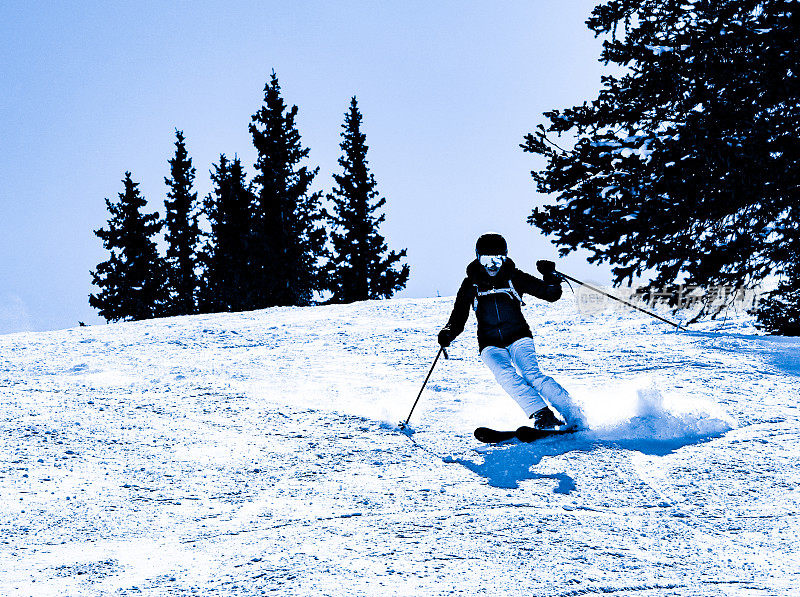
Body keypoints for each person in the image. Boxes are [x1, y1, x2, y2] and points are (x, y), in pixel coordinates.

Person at [437, 232, 582, 430]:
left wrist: (549, 276)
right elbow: (458, 317)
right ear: (478, 259)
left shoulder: (514, 277)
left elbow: (550, 295)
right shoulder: (470, 284)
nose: (492, 265)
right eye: (487, 260)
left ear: (505, 257)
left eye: (497, 259)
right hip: (489, 343)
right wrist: (448, 332)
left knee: (532, 375)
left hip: (518, 336)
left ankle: (572, 412)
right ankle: (543, 414)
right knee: (505, 376)